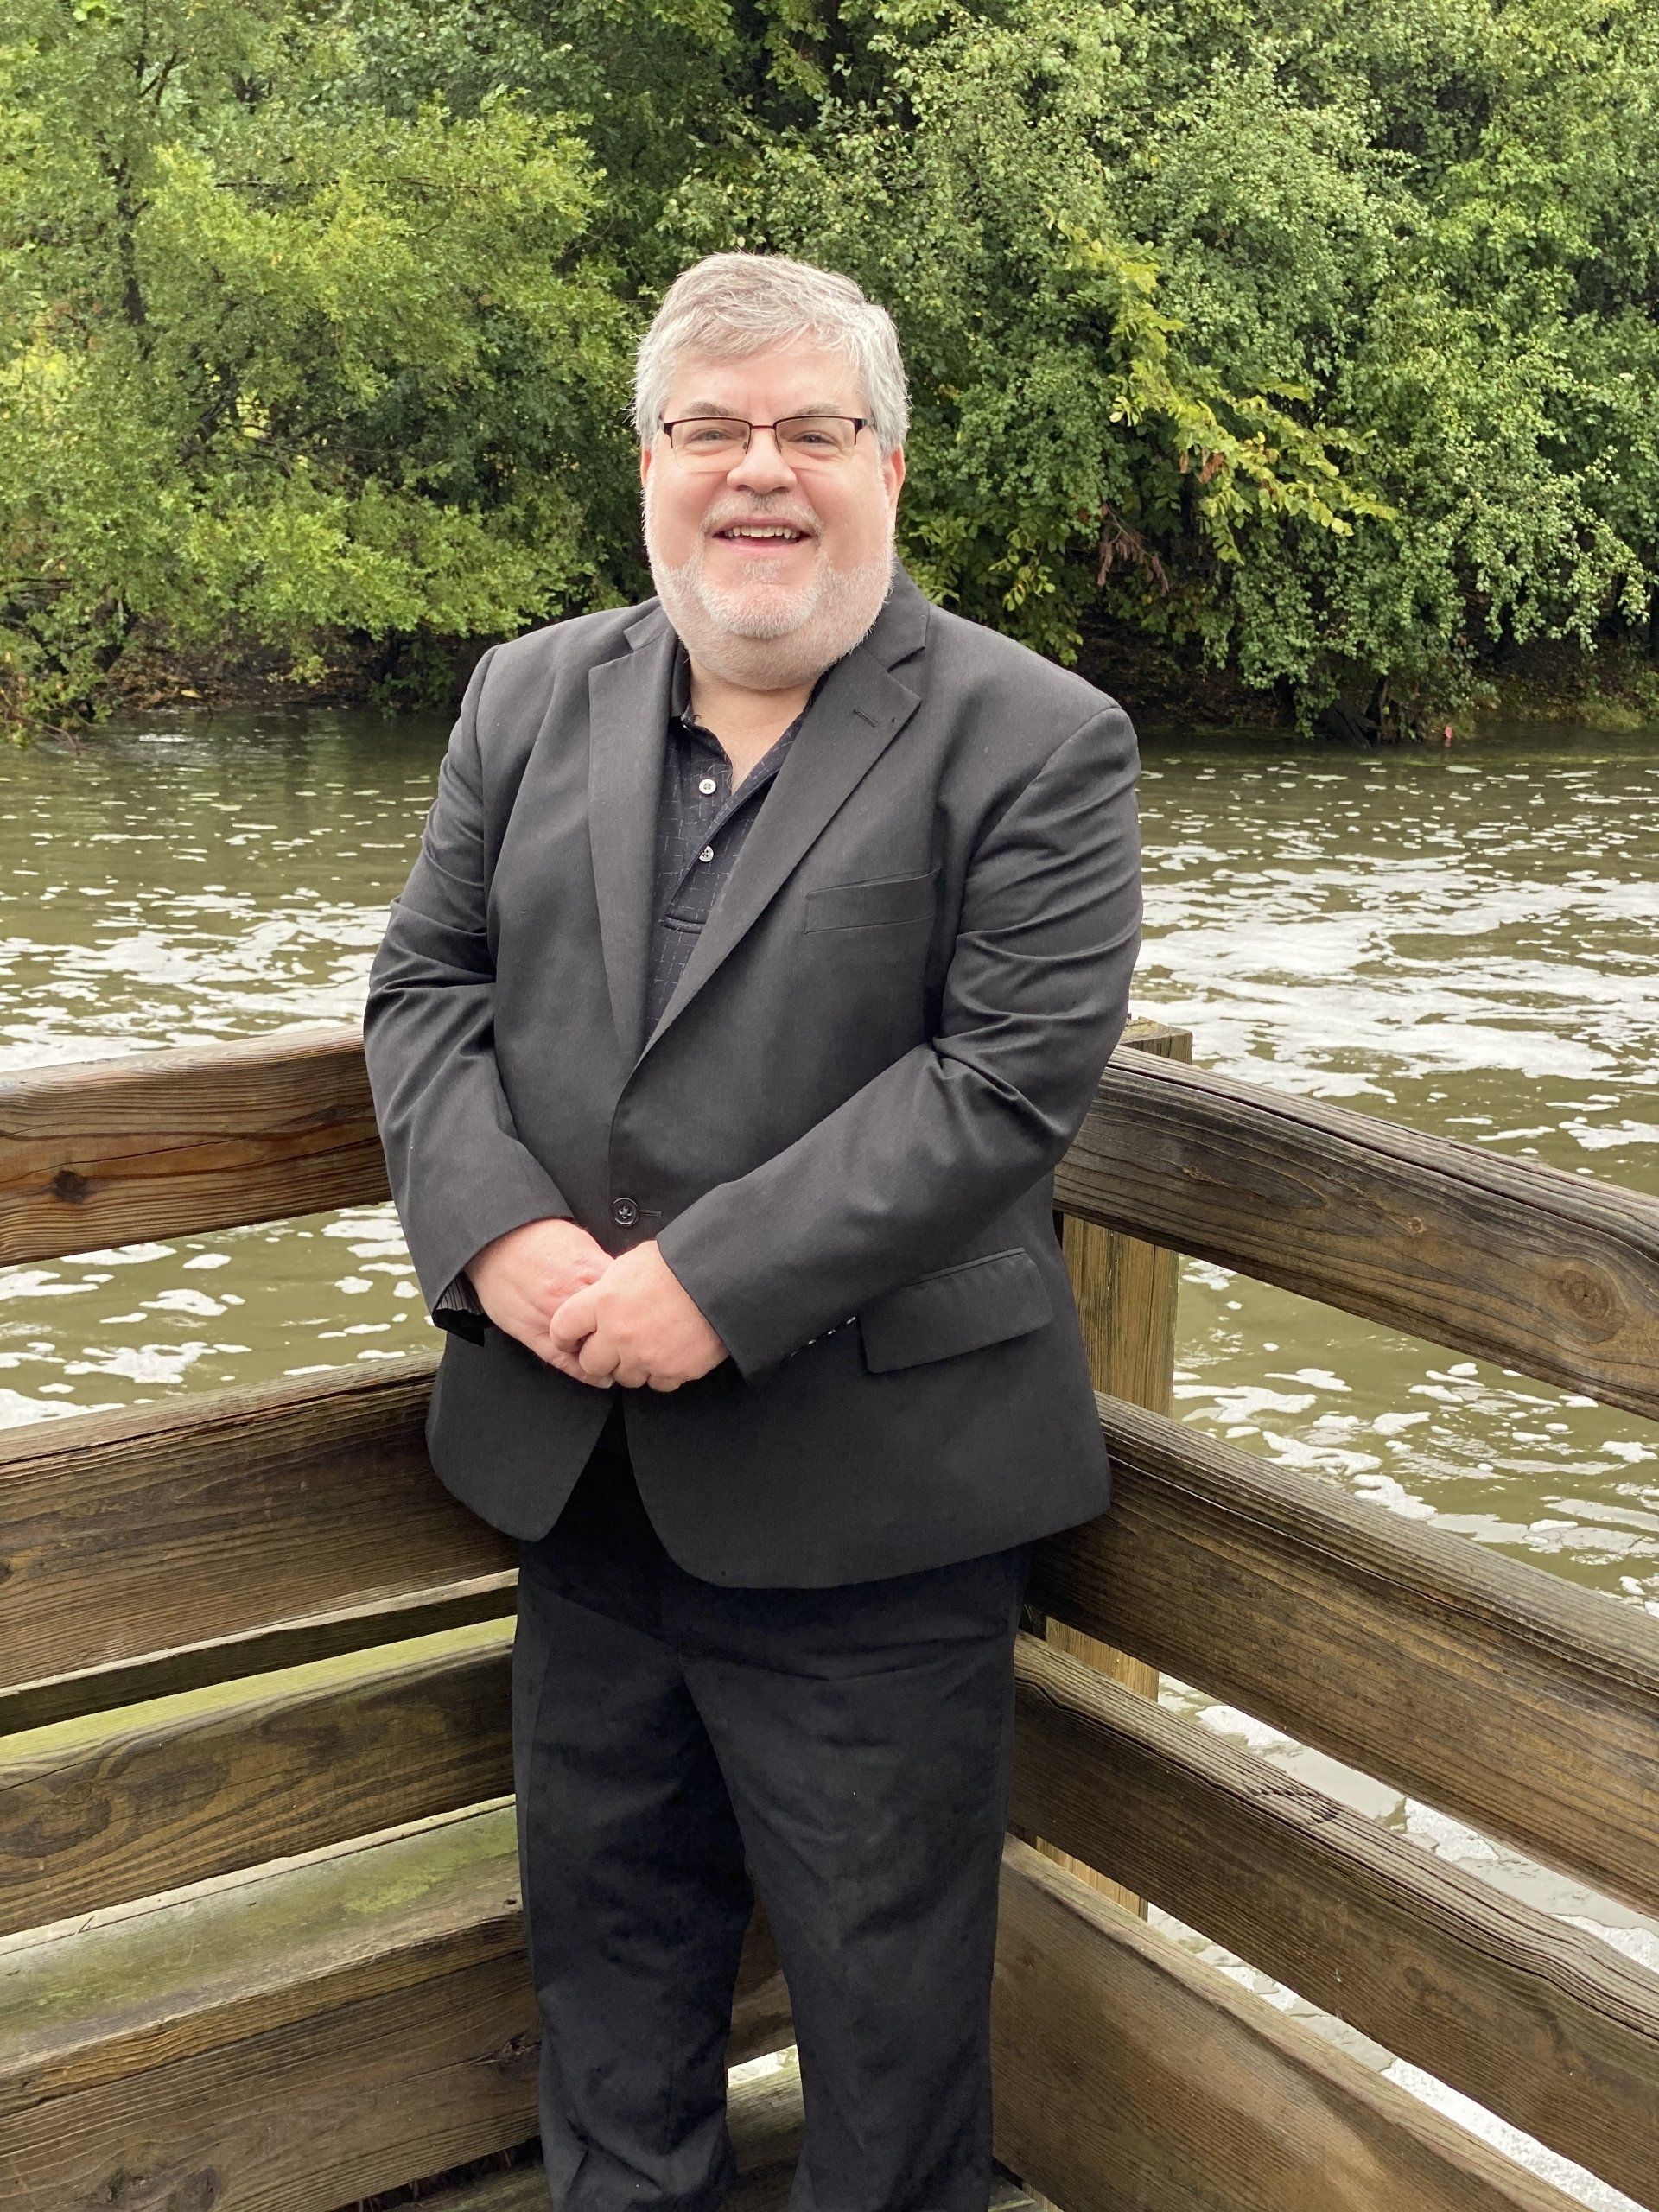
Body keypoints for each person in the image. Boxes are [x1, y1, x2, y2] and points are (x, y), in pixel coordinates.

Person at [362, 250, 1142, 2212]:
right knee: (610, 1992)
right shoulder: (527, 693)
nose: (757, 473)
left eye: (811, 428)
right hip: (582, 1483)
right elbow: (427, 987)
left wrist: (715, 1280)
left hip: (877, 1509)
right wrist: (501, 1238)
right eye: (711, 430)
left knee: (887, 2053)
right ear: (648, 463)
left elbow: (1004, 1079)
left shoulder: (1037, 736)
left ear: (888, 462)